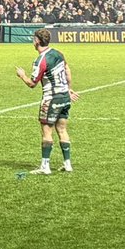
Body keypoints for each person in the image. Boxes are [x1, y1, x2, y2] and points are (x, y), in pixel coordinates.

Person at [15, 27, 80, 174]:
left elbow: (32, 84)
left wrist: (22, 75)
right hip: (64, 96)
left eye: (33, 39)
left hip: (51, 98)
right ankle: (67, 164)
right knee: (62, 130)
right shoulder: (58, 53)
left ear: (37, 41)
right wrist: (68, 88)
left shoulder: (41, 60)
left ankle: (45, 166)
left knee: (46, 131)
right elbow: (67, 71)